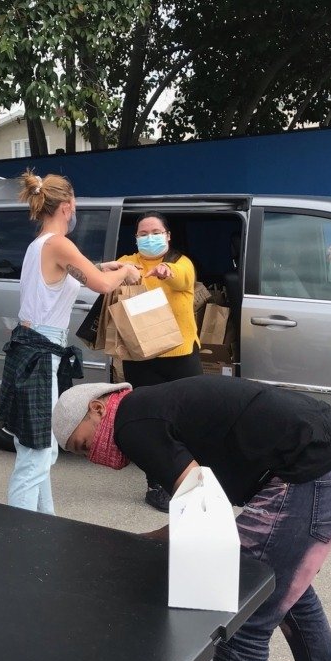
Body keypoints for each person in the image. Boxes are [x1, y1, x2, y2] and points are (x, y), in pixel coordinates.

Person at [51, 376, 331, 661]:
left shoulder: (129, 424)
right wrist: (148, 540)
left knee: (242, 610)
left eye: (83, 444)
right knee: (281, 587)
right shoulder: (149, 407)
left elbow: (203, 511)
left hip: (316, 470)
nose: (91, 456)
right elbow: (202, 503)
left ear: (97, 407)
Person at [0, 170, 140, 513]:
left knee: (40, 447)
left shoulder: (40, 245)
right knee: (36, 455)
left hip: (34, 347)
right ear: (67, 205)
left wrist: (102, 266)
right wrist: (126, 272)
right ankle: (18, 534)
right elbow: (103, 286)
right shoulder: (59, 243)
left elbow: (76, 272)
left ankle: (44, 524)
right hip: (41, 353)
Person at [101, 212, 202, 513]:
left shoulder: (180, 262)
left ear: (167, 235)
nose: (149, 237)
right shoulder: (128, 261)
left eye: (155, 232)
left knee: (189, 417)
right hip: (140, 356)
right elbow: (107, 281)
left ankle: (191, 479)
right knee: (148, 421)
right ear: (135, 239)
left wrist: (166, 272)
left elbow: (185, 278)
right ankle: (155, 484)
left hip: (180, 354)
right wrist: (115, 269)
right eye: (142, 233)